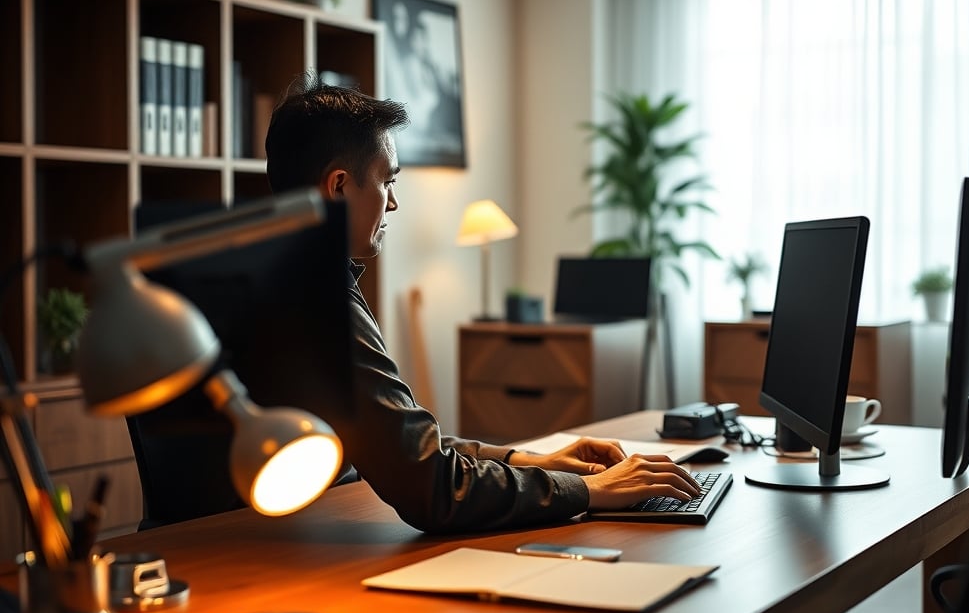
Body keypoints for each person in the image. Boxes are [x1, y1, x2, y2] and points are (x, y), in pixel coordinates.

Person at [264, 73, 700, 533]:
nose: (392, 203)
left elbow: (406, 447)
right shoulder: (317, 299)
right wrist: (593, 491)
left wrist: (532, 459)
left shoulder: (289, 275)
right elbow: (434, 487)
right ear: (338, 186)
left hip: (320, 525)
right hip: (293, 546)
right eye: (387, 181)